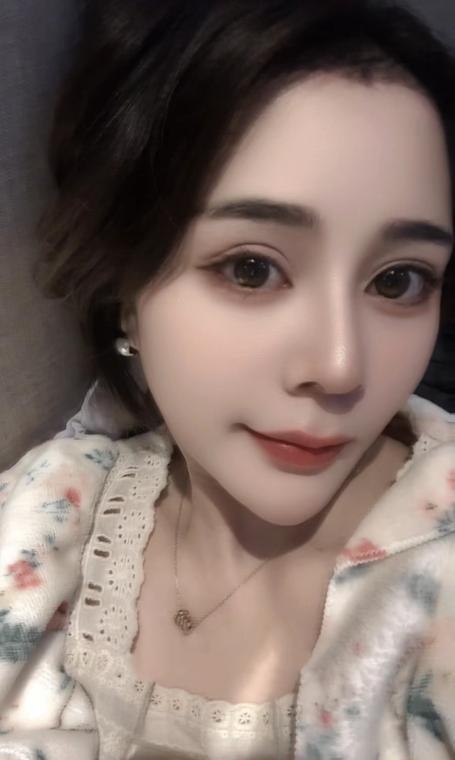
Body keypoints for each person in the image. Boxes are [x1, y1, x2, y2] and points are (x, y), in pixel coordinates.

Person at [0, 0, 455, 758]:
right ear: (126, 287)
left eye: (398, 281)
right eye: (251, 269)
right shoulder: (46, 511)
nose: (339, 368)